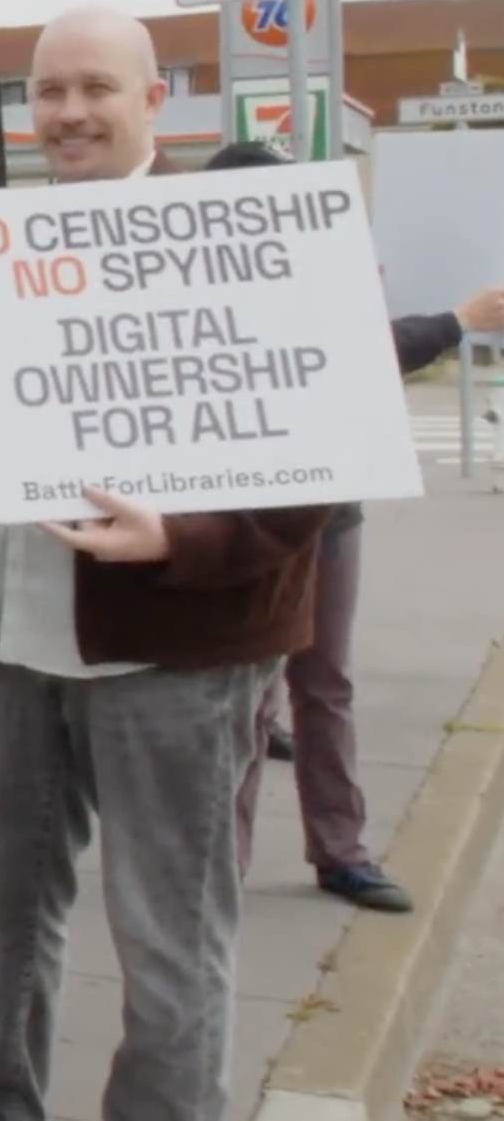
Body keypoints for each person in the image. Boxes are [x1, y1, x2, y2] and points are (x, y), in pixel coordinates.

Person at [0, 8, 335, 1121]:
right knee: (3, 911)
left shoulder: (244, 240)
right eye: (46, 90)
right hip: (20, 654)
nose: (64, 112)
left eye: (93, 89)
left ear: (152, 101)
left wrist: (176, 537)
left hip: (181, 660)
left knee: (168, 938)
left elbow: (314, 475)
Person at [202, 143, 504, 913]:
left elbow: (360, 352)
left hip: (327, 514)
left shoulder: (314, 280)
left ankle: (339, 851)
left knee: (322, 682)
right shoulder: (200, 291)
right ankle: (219, 870)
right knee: (249, 692)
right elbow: (363, 351)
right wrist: (455, 320)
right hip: (244, 520)